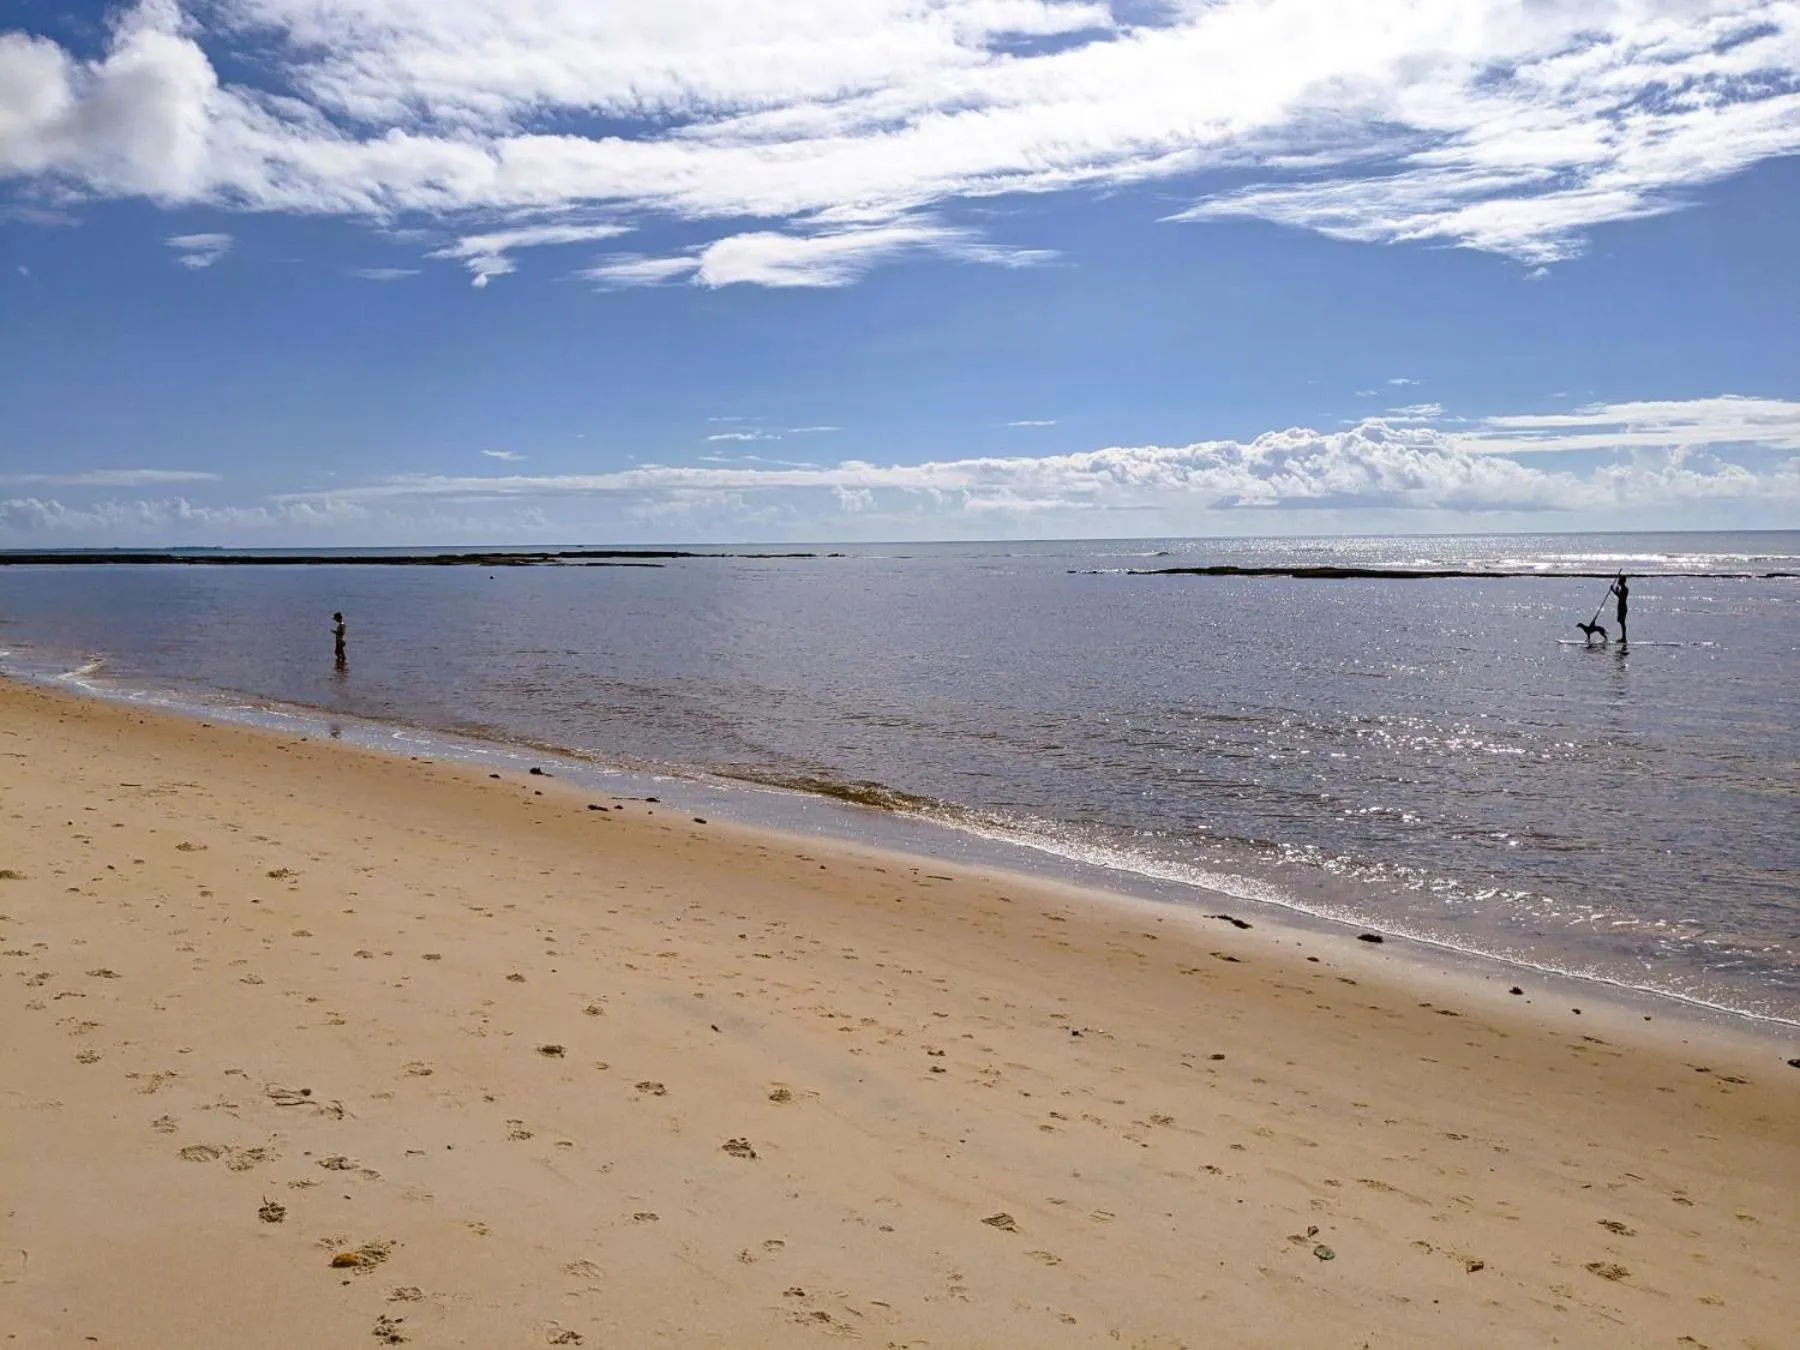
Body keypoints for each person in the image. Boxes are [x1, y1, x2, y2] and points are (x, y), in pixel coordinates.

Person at [1609, 573, 1629, 645]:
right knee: (1621, 622)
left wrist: (1614, 591)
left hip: (1622, 607)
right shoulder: (1623, 589)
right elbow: (1619, 596)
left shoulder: (1625, 589)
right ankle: (1623, 637)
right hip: (1621, 606)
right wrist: (1615, 591)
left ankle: (1624, 638)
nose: (1618, 582)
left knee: (1622, 622)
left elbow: (1621, 598)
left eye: (1619, 580)